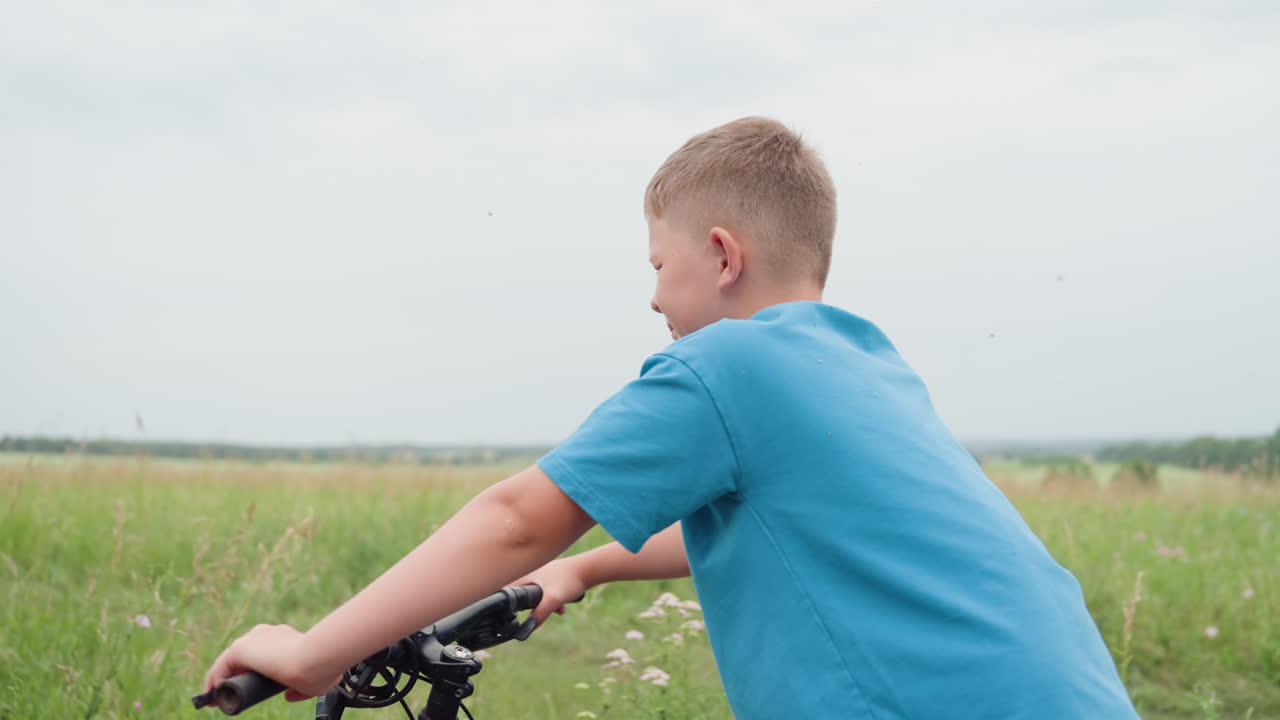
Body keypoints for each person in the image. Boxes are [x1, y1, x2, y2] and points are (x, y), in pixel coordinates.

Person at [203, 117, 1139, 719]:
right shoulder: (864, 363)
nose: (654, 298)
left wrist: (317, 652)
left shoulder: (730, 363)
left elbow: (516, 518)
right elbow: (783, 530)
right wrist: (591, 567)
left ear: (722, 254)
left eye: (658, 264)